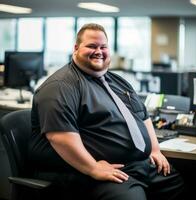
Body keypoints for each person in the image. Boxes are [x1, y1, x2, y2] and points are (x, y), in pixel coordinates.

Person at [30, 23, 184, 200]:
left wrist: (155, 150)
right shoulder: (61, 86)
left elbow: (142, 116)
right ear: (76, 48)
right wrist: (92, 167)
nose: (98, 51)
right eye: (91, 46)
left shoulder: (118, 82)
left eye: (103, 47)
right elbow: (59, 136)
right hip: (84, 168)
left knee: (178, 185)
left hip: (136, 164)